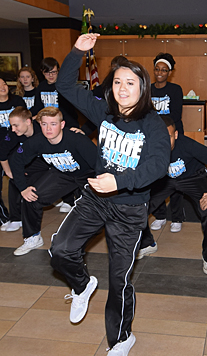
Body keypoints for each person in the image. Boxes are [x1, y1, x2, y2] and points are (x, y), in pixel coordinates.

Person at [50, 33, 169, 356]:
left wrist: (121, 182)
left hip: (129, 210)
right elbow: (63, 86)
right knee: (60, 250)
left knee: (119, 279)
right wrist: (76, 51)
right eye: (117, 82)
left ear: (142, 88)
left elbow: (159, 165)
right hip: (95, 200)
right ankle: (81, 284)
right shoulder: (104, 112)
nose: (122, 89)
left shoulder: (152, 124)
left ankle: (120, 338)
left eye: (130, 83)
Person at [137, 115, 207, 274]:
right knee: (137, 206)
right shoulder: (147, 146)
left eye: (168, 137)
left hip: (193, 177)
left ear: (176, 135)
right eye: (159, 137)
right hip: (165, 180)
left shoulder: (187, 145)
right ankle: (147, 243)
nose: (163, 142)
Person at [9, 107, 96, 256]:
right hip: (62, 174)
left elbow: (98, 165)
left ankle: (142, 242)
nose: (48, 128)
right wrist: (23, 188)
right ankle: (32, 237)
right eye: (44, 124)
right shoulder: (36, 142)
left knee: (105, 208)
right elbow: (16, 161)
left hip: (87, 174)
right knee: (31, 197)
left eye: (53, 124)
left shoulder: (77, 140)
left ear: (62, 125)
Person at [150, 52, 185, 232]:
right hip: (153, 137)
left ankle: (176, 217)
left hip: (172, 136)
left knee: (175, 174)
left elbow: (176, 114)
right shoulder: (148, 89)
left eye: (164, 70)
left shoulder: (175, 89)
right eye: (157, 69)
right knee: (156, 176)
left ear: (169, 72)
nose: (160, 72)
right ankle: (160, 215)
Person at [0, 106, 41, 232]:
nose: (13, 129)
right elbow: (1, 150)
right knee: (15, 180)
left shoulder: (41, 130)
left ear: (28, 121)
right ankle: (16, 218)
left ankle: (69, 202)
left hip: (46, 162)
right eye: (12, 126)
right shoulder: (14, 133)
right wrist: (8, 171)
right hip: (27, 162)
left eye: (16, 125)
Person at [32, 57, 80, 129]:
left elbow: (69, 110)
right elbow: (38, 106)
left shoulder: (64, 86)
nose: (51, 75)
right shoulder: (41, 87)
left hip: (65, 122)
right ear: (42, 72)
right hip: (47, 123)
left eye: (53, 72)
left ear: (58, 70)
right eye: (47, 72)